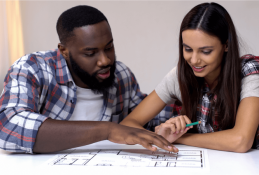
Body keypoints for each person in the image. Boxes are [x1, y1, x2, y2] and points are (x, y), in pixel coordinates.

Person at [0, 5, 178, 154]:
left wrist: (174, 122)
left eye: (109, 47)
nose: (105, 60)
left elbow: (147, 119)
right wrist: (107, 130)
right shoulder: (32, 68)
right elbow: (7, 125)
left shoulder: (121, 75)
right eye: (90, 53)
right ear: (64, 50)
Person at [121, 2, 259, 153]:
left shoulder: (249, 72)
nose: (194, 60)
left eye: (205, 51)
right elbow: (127, 125)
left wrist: (177, 137)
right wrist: (160, 135)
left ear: (226, 45)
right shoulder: (180, 75)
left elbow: (241, 141)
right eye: (187, 49)